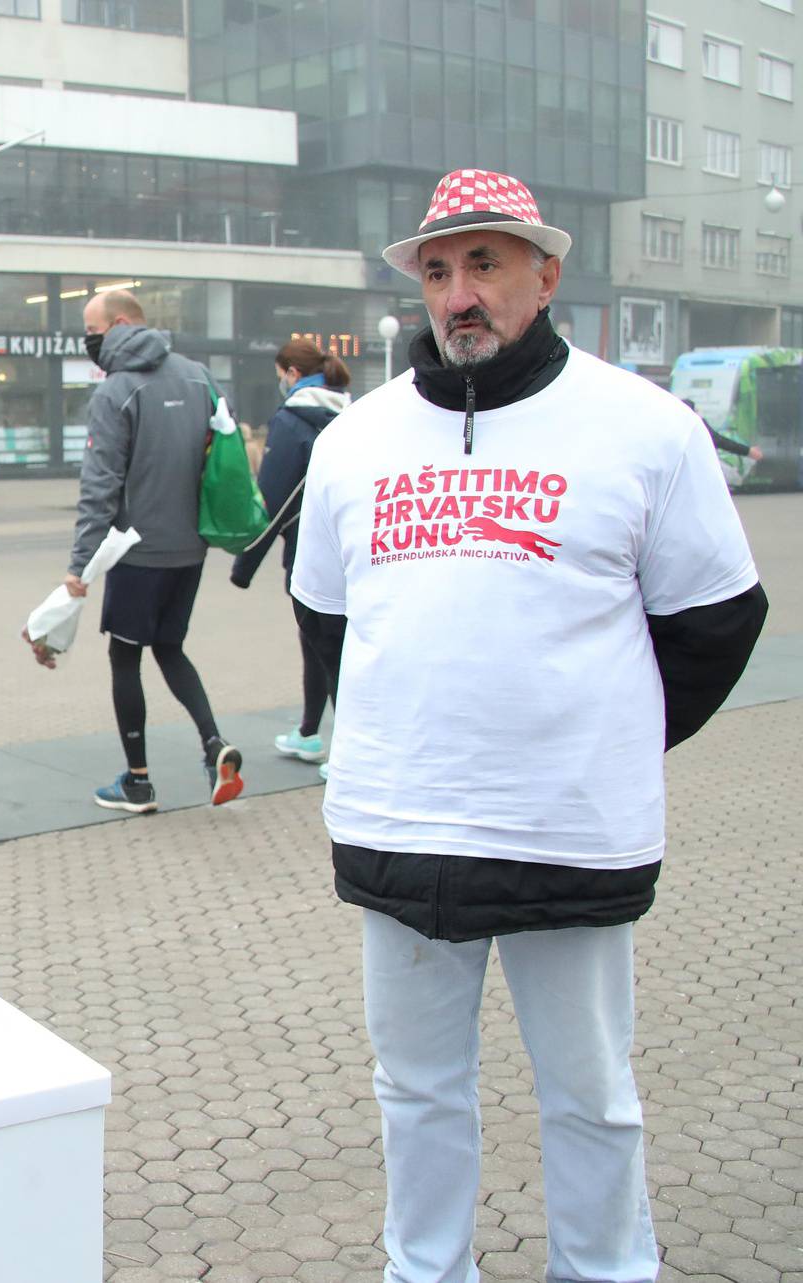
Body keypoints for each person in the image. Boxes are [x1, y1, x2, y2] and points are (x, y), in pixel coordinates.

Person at [291, 169, 768, 1283]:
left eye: (487, 264)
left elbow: (717, 618)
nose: (461, 293)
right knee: (413, 1087)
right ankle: (426, 1268)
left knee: (592, 1093)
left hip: (569, 826)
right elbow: (325, 620)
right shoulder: (354, 442)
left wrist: (599, 731)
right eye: (441, 270)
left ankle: (603, 1268)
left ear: (546, 274)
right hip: (399, 822)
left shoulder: (645, 426)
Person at [66, 288, 243, 812]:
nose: (89, 341)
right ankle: (214, 745)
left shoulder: (115, 391)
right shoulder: (199, 377)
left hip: (136, 553)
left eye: (92, 331)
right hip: (191, 550)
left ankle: (137, 782)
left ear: (121, 323)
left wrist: (80, 566)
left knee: (125, 658)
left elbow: (100, 486)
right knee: (170, 647)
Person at [230, 339, 352, 773]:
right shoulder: (352, 415)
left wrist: (244, 563)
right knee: (322, 645)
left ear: (292, 374)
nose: (278, 381)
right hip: (356, 553)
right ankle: (309, 732)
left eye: (280, 372)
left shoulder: (291, 420)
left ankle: (348, 755)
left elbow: (274, 499)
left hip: (310, 556)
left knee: (330, 651)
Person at [681, 397, 766, 464]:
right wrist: (748, 451)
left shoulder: (674, 420)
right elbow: (716, 439)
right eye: (696, 411)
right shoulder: (691, 421)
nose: (698, 413)